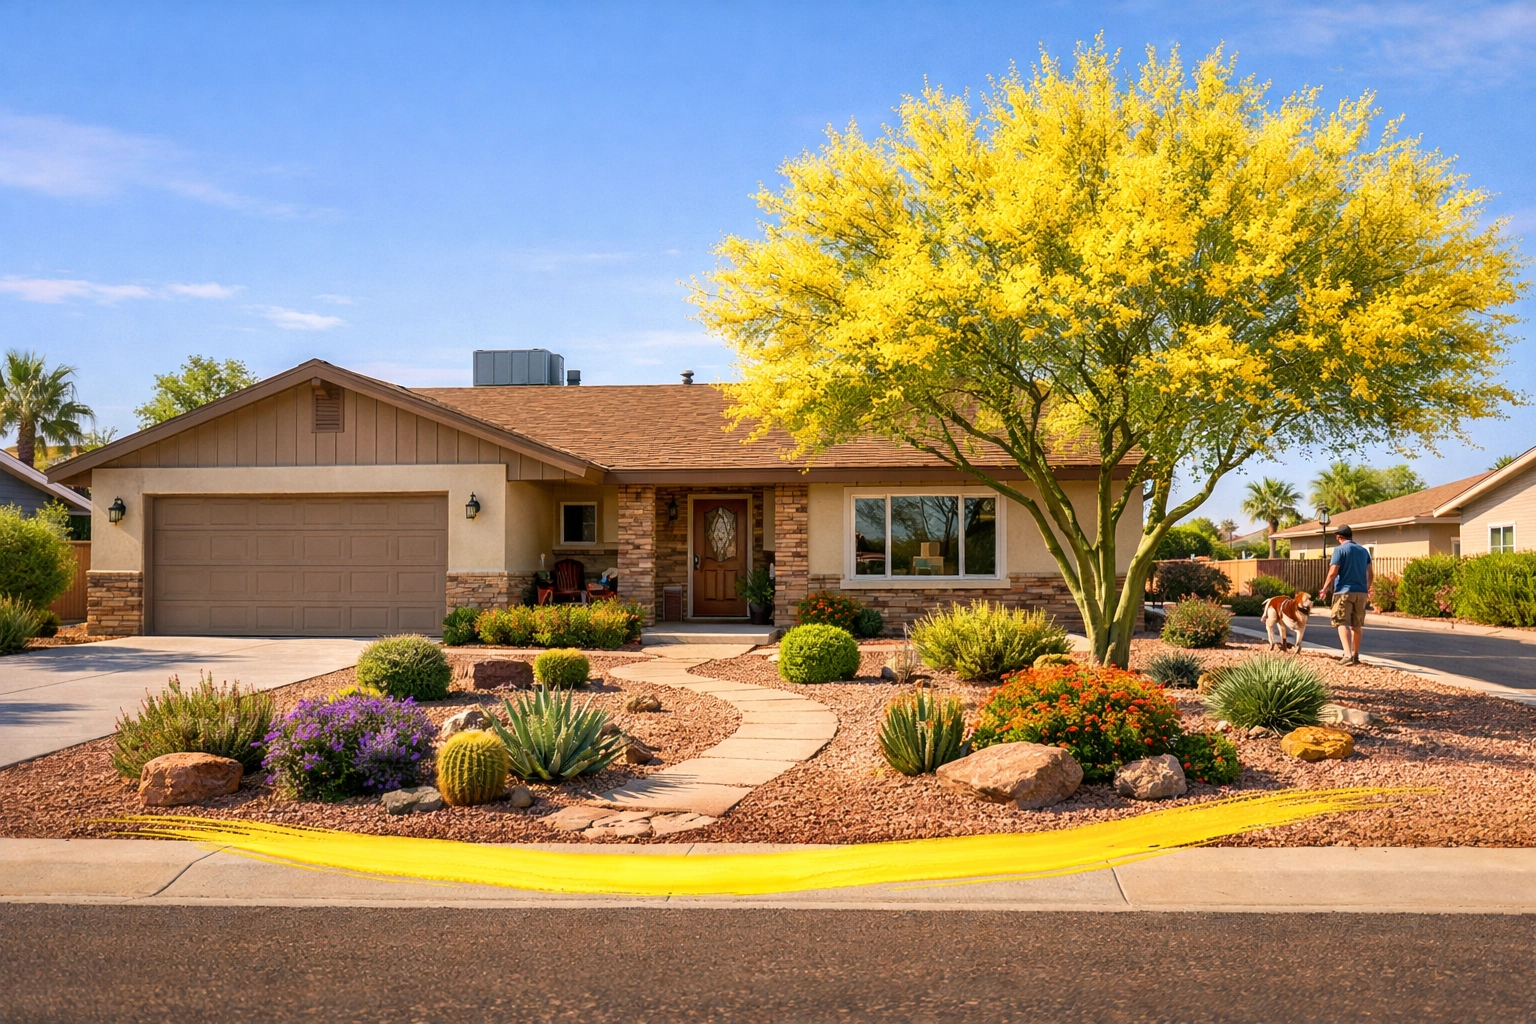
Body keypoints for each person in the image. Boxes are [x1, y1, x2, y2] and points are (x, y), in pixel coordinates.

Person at [1318, 523, 1373, 666]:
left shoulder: (1339, 550)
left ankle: (1347, 655)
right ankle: (1355, 655)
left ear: (1338, 537)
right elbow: (1370, 573)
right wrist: (1366, 588)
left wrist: (1324, 588)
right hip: (1361, 592)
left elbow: (1333, 572)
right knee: (1357, 624)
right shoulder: (1363, 551)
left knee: (1341, 622)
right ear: (1351, 536)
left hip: (1343, 591)